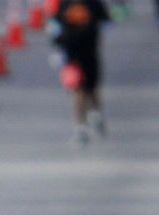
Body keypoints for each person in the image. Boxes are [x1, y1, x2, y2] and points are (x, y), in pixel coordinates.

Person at [49, 0, 110, 144]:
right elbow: (55, 27)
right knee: (77, 91)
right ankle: (80, 128)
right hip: (71, 55)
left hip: (89, 53)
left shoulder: (94, 3)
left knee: (91, 89)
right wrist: (57, 50)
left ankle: (95, 114)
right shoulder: (65, 4)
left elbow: (107, 21)